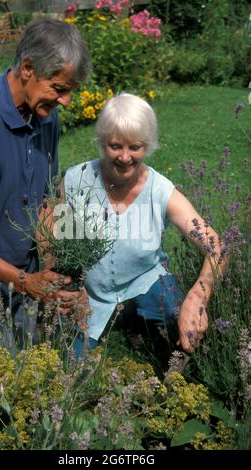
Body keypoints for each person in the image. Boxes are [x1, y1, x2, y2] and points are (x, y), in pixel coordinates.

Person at [60, 93, 227, 355]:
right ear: (102, 142)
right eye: (116, 146)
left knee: (177, 315)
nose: (125, 157)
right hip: (90, 293)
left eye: (135, 147)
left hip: (145, 281)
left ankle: (146, 326)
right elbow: (59, 246)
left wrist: (198, 297)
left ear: (147, 146)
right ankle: (123, 323)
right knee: (69, 363)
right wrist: (71, 288)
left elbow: (217, 246)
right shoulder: (75, 181)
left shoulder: (160, 190)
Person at [0, 18, 91, 328]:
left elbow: (46, 200)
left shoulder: (45, 114)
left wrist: (55, 274)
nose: (66, 101)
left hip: (25, 281)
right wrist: (24, 281)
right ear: (28, 68)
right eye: (59, 88)